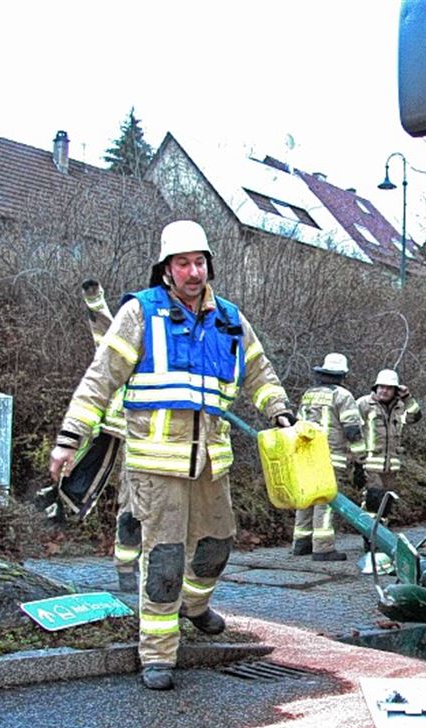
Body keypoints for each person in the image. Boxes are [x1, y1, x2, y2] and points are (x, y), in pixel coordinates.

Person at [49, 220, 295, 691]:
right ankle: (158, 652)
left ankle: (195, 606)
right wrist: (69, 438)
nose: (193, 271)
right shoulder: (141, 313)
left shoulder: (229, 318)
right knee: (164, 559)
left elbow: (260, 373)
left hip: (211, 462)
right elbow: (99, 380)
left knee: (217, 545)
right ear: (166, 269)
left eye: (199, 262)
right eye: (183, 263)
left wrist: (279, 411)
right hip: (155, 464)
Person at [80, 279, 140, 593]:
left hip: (152, 433)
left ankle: (138, 564)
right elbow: (105, 330)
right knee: (132, 502)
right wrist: (95, 299)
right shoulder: (126, 340)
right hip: (131, 433)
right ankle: (126, 566)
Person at [292, 353, 367, 561]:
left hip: (305, 456)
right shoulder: (343, 396)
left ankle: (301, 542)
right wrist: (361, 460)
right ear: (343, 374)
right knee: (325, 501)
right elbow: (352, 430)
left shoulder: (308, 394)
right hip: (329, 457)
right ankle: (323, 548)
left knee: (305, 498)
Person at [355, 368, 421, 517]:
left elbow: (415, 417)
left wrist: (407, 397)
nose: (384, 391)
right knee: (373, 501)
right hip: (370, 464)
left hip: (391, 466)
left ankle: (381, 536)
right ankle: (368, 538)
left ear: (395, 390)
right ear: (376, 387)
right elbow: (352, 433)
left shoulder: (400, 407)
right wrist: (357, 464)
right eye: (381, 387)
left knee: (386, 504)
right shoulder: (363, 404)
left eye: (389, 388)